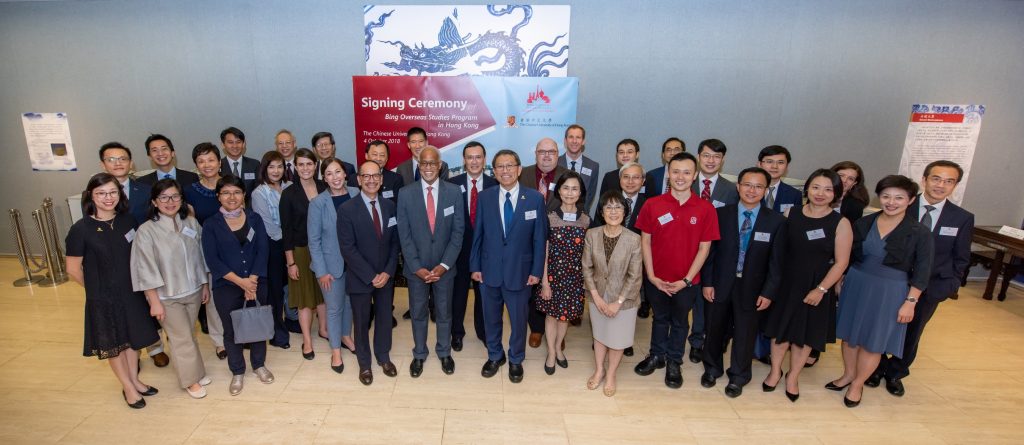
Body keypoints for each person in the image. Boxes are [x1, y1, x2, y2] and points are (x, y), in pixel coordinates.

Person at [868, 161, 973, 396]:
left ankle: (896, 372)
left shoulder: (962, 218)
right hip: (895, 281)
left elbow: (962, 257)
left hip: (932, 286)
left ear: (955, 185)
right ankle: (876, 367)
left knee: (913, 332)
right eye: (936, 178)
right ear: (924, 180)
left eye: (949, 181)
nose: (941, 185)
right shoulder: (902, 206)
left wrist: (950, 285)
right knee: (884, 326)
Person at [830, 175, 934, 407]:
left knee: (873, 341)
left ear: (909, 201)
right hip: (857, 283)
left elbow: (923, 270)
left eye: (899, 197)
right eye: (886, 196)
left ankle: (857, 384)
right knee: (849, 336)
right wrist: (841, 278)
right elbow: (849, 255)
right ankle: (847, 374)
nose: (891, 202)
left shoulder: (919, 232)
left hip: (891, 290)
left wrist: (911, 301)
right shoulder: (864, 223)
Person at [65, 173, 161, 409]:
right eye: (101, 193)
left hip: (132, 293)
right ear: (91, 196)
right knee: (114, 345)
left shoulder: (127, 221)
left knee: (131, 340)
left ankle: (135, 380)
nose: (108, 198)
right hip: (103, 299)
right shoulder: (81, 229)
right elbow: (73, 269)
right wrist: (97, 290)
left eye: (112, 192)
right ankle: (127, 387)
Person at [761, 169, 852, 402]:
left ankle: (793, 376)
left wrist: (821, 289)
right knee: (780, 330)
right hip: (787, 282)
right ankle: (775, 370)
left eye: (828, 189)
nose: (820, 193)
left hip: (816, 285)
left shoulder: (840, 223)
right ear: (807, 189)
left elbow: (841, 263)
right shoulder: (792, 212)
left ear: (836, 193)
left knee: (805, 334)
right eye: (815, 187)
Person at [633, 152, 719, 389]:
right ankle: (656, 355)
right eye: (675, 171)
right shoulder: (653, 204)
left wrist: (686, 280)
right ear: (668, 173)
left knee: (680, 322)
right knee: (659, 318)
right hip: (656, 278)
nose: (680, 177)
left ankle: (674, 361)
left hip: (687, 282)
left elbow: (704, 249)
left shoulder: (705, 209)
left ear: (695, 176)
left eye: (686, 172)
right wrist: (651, 276)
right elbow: (645, 242)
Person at [699, 167, 786, 398]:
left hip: (753, 288)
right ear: (738, 186)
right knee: (714, 328)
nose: (752, 190)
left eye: (758, 186)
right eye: (747, 184)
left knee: (745, 334)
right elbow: (709, 253)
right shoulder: (720, 214)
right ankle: (712, 368)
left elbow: (777, 263)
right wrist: (707, 283)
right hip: (719, 283)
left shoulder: (775, 221)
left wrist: (768, 292)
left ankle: (738, 375)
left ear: (766, 190)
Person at [471, 149, 548, 383]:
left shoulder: (534, 198)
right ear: (493, 172)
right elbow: (478, 235)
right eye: (500, 167)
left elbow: (539, 238)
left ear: (519, 169)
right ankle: (495, 355)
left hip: (521, 273)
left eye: (510, 165)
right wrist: (475, 266)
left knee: (518, 321)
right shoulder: (485, 197)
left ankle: (516, 359)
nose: (505, 170)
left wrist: (536, 271)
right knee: (490, 318)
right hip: (489, 272)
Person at [130, 179, 211, 399]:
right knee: (180, 337)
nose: (170, 201)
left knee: (188, 334)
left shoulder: (190, 223)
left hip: (193, 290)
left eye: (175, 196)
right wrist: (154, 300)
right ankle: (190, 380)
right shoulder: (147, 231)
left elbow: (201, 256)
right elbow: (144, 268)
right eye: (164, 197)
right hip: (167, 295)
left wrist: (204, 284)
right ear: (155, 202)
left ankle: (196, 370)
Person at [201, 175, 275, 395]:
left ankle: (259, 365)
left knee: (258, 325)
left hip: (256, 282)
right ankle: (237, 371)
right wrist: (241, 282)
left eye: (236, 192)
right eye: (225, 192)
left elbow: (263, 250)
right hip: (227, 285)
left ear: (244, 195)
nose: (231, 197)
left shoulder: (255, 219)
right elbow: (213, 259)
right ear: (218, 196)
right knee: (231, 330)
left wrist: (252, 280)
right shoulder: (211, 224)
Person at [97, 142, 168, 368]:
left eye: (122, 159)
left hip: (146, 256)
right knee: (125, 307)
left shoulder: (146, 190)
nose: (118, 163)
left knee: (149, 302)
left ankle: (155, 347)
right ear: (103, 164)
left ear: (131, 162)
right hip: (115, 261)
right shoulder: (96, 193)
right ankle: (131, 352)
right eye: (112, 159)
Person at [397, 146, 465, 377]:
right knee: (418, 313)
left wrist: (444, 265)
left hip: (445, 268)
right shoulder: (405, 194)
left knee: (445, 313)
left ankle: (444, 352)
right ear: (419, 164)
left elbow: (458, 233)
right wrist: (416, 267)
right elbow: (404, 235)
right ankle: (419, 354)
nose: (428, 167)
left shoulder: (454, 192)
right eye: (423, 163)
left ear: (440, 165)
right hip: (416, 269)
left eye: (432, 163)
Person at [337, 160, 400, 385]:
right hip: (360, 277)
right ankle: (365, 364)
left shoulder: (390, 207)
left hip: (385, 277)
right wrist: (371, 275)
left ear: (381, 180)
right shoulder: (346, 210)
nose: (371, 180)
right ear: (359, 180)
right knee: (362, 323)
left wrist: (387, 272)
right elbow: (347, 248)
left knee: (384, 319)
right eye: (366, 176)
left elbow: (394, 244)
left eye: (376, 176)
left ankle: (383, 357)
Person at [685, 138, 740, 364]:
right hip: (686, 250)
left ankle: (698, 340)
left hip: (714, 254)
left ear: (723, 160)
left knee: (704, 300)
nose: (711, 161)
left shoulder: (731, 189)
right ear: (698, 157)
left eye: (716, 157)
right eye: (706, 155)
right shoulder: (686, 182)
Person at [308, 157, 360, 373]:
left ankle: (346, 336)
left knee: (349, 304)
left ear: (345, 174)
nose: (335, 177)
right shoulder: (318, 203)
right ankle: (336, 351)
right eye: (329, 173)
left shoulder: (357, 194)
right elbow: (314, 240)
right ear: (324, 178)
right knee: (334, 307)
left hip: (356, 264)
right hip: (331, 267)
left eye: (338, 172)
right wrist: (321, 271)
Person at [753, 144, 803, 364]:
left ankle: (763, 349)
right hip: (751, 256)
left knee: (770, 304)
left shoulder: (794, 194)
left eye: (780, 162)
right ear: (760, 164)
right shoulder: (749, 188)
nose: (774, 166)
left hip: (778, 258)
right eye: (769, 161)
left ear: (787, 167)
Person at [536, 171, 590, 375]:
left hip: (574, 278)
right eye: (566, 188)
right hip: (552, 277)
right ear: (559, 190)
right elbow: (544, 251)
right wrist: (544, 282)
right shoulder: (549, 218)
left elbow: (587, 253)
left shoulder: (586, 220)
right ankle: (550, 352)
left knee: (564, 317)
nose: (570, 192)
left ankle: (559, 348)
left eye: (574, 188)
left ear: (580, 192)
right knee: (551, 316)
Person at [519, 137, 569, 345]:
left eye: (552, 152)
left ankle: (557, 331)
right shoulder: (523, 174)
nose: (547, 155)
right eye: (542, 151)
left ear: (558, 155)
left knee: (556, 286)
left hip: (558, 241)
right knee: (531, 285)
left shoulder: (567, 176)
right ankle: (536, 329)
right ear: (536, 154)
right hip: (526, 240)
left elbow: (577, 203)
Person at [447, 141, 497, 350]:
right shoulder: (451, 183)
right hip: (459, 249)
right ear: (464, 160)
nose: (474, 161)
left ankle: (483, 332)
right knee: (457, 294)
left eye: (478, 157)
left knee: (483, 293)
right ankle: (456, 333)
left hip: (485, 250)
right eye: (470, 157)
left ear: (484, 160)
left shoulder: (495, 184)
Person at [280, 148, 328, 360]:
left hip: (325, 250)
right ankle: (307, 340)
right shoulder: (289, 194)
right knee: (304, 298)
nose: (305, 168)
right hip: (300, 251)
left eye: (309, 164)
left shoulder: (324, 187)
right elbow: (286, 231)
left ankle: (324, 329)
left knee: (323, 294)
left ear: (315, 165)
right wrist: (291, 263)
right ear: (295, 167)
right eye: (301, 164)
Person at [182, 142, 228, 360]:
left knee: (236, 295)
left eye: (211, 160)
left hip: (233, 249)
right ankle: (220, 342)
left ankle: (240, 334)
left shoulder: (230, 185)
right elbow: (189, 225)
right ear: (196, 165)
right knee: (213, 297)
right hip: (206, 251)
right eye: (201, 161)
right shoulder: (190, 192)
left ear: (219, 162)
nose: (207, 165)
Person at [594, 161, 649, 324]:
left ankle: (625, 340)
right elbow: (598, 227)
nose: (630, 181)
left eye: (636, 177)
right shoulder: (608, 201)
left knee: (628, 301)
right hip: (608, 261)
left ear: (643, 181)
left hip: (635, 261)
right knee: (605, 298)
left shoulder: (650, 204)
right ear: (620, 180)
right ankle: (602, 333)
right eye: (626, 177)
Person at [250, 151, 293, 349]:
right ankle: (277, 334)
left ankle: (291, 321)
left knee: (290, 287)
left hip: (293, 244)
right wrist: (289, 244)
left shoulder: (290, 187)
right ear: (264, 169)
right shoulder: (259, 193)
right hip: (274, 247)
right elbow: (270, 228)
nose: (276, 171)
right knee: (275, 293)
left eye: (279, 166)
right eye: (271, 167)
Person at [558, 124, 600, 212]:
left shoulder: (593, 166)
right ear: (565, 141)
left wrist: (583, 212)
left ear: (583, 141)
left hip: (581, 216)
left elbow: (590, 194)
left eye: (578, 137)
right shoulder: (555, 163)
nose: (574, 141)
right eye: (571, 137)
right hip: (557, 214)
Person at [218, 127, 260, 197]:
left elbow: (258, 191)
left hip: (250, 206)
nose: (235, 146)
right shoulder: (218, 166)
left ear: (244, 144)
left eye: (238, 142)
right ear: (223, 145)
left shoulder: (255, 164)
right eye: (230, 142)